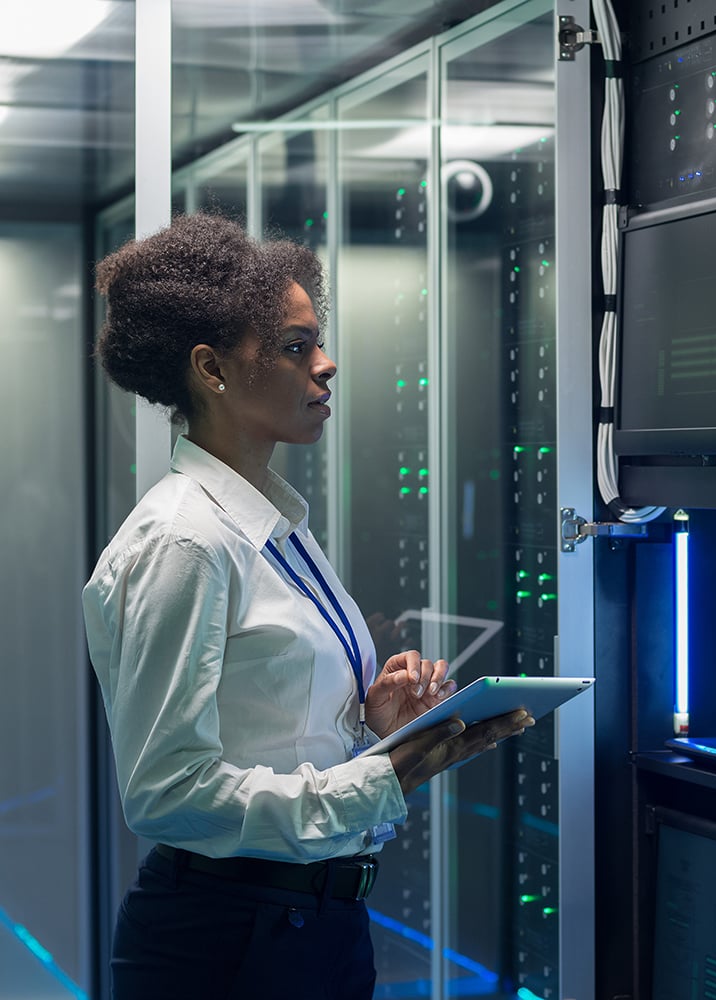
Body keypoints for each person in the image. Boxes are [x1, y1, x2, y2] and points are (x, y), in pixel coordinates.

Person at [82, 212, 534, 1000]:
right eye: (295, 348)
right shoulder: (185, 540)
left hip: (312, 926)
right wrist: (381, 778)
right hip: (227, 943)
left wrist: (373, 726)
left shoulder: (271, 523)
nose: (326, 366)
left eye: (317, 342)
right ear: (211, 370)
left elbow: (272, 731)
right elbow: (167, 793)